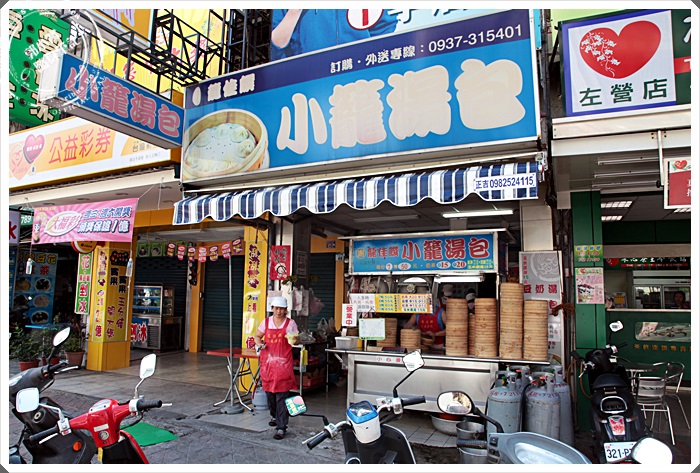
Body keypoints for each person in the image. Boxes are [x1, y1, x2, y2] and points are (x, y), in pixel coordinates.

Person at [254, 296, 299, 440]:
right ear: (272, 308)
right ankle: (274, 416)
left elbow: (297, 340)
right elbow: (257, 336)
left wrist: (294, 338)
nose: (279, 311)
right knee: (270, 394)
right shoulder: (266, 322)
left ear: (286, 310)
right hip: (268, 365)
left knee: (282, 396)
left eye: (282, 309)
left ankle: (281, 427)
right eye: (276, 308)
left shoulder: (291, 323)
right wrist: (259, 343)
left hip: (283, 365)